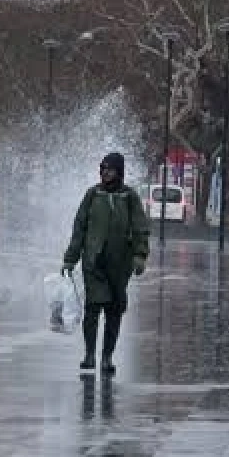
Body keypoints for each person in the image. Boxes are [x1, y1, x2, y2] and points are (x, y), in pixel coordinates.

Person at [61, 152, 150, 375]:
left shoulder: (129, 197)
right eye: (102, 168)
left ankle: (107, 357)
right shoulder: (92, 195)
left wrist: (140, 255)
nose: (104, 173)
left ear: (119, 171)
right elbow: (79, 229)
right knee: (92, 308)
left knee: (114, 309)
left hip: (120, 265)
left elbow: (140, 228)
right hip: (94, 262)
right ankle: (89, 354)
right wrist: (70, 259)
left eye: (109, 169)